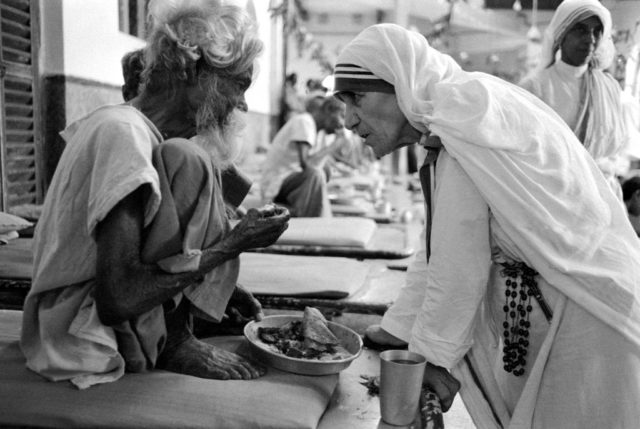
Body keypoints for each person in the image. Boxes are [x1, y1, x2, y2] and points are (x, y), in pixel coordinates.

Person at [333, 23, 640, 428]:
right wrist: (399, 329)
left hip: (589, 320)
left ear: (401, 81)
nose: (349, 121)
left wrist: (432, 361)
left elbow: (459, 266)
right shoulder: (455, 114)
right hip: (580, 306)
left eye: (357, 97)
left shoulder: (464, 117)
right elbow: (438, 248)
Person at [20, 0, 290, 389]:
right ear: (194, 71)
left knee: (189, 157)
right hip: (83, 338)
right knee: (189, 157)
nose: (242, 103)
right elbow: (118, 298)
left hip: (81, 325)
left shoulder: (134, 129)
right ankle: (173, 340)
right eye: (240, 84)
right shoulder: (123, 133)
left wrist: (215, 285)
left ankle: (174, 329)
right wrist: (230, 246)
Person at [518, 0, 626, 198]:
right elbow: (526, 150)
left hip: (604, 195)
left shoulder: (609, 88)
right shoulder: (535, 87)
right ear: (561, 35)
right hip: (554, 196)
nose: (590, 39)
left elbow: (616, 149)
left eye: (597, 31)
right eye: (580, 30)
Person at [259, 95, 345, 217]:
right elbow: (307, 165)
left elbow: (320, 165)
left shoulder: (319, 133)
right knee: (315, 174)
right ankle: (312, 222)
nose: (343, 124)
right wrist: (334, 146)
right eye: (342, 116)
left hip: (289, 184)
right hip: (275, 184)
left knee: (323, 172)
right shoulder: (304, 122)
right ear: (329, 110)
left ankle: (320, 218)